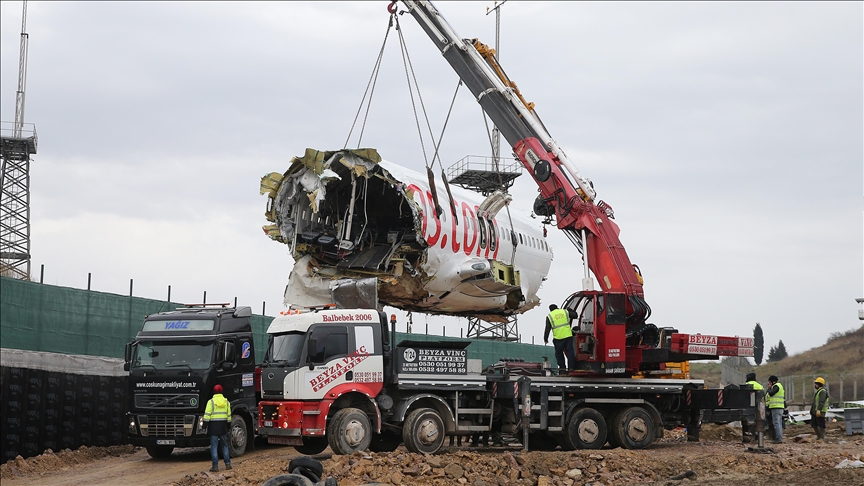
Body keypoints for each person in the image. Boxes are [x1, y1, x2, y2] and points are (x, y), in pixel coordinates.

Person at [204, 384, 232, 472]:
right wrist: (228, 426)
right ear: (222, 391)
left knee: (214, 446)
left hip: (213, 427)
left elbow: (207, 415)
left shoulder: (211, 402)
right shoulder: (226, 402)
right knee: (224, 445)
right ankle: (228, 464)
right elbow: (229, 416)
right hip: (223, 426)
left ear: (214, 391)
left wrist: (204, 426)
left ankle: (215, 466)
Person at [543, 304, 577, 371]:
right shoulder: (564, 312)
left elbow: (547, 329)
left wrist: (545, 339)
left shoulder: (550, 316)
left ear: (550, 310)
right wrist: (570, 310)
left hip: (558, 338)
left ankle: (562, 369)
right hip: (568, 336)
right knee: (570, 352)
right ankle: (571, 368)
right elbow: (575, 315)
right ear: (557, 307)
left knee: (559, 354)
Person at [741, 372, 763, 442]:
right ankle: (757, 437)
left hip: (748, 408)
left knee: (746, 423)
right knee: (757, 423)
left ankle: (746, 437)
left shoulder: (746, 385)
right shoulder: (760, 386)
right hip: (758, 408)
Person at [765, 375, 785, 443]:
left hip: (776, 407)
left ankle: (778, 438)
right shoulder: (778, 386)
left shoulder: (777, 386)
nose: (768, 383)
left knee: (776, 423)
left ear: (772, 382)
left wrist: (770, 388)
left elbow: (771, 393)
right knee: (778, 423)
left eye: (769, 382)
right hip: (778, 407)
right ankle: (779, 437)